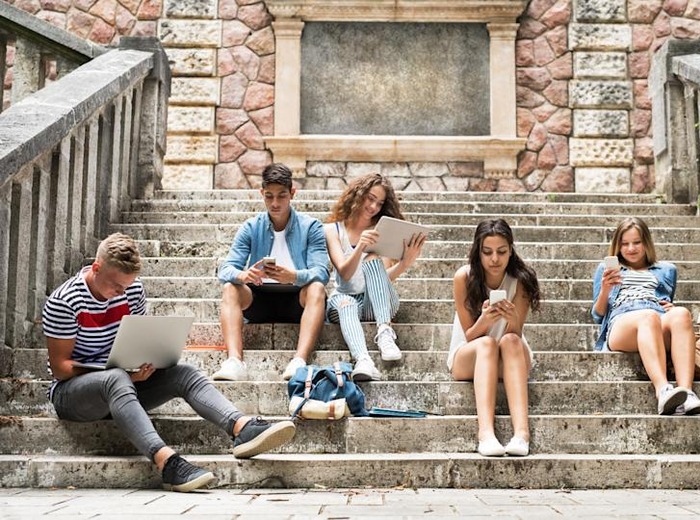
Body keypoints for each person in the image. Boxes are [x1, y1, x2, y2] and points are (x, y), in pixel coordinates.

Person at [43, 233, 297, 493]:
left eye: (125, 286)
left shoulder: (132, 289)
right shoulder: (65, 301)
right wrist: (121, 374)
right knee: (115, 379)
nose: (120, 293)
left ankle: (242, 428)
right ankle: (168, 464)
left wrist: (144, 361)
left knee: (182, 373)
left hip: (122, 388)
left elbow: (136, 340)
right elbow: (62, 369)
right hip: (74, 396)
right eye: (115, 286)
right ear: (96, 268)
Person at [215, 163, 329, 381]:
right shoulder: (251, 227)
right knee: (230, 288)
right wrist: (243, 275)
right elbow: (226, 269)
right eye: (269, 196)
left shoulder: (311, 226)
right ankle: (234, 362)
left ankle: (299, 361)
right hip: (259, 298)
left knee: (316, 288)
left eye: (281, 196)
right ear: (262, 194)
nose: (275, 203)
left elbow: (321, 272)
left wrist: (294, 276)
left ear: (292, 193)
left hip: (297, 299)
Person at [592, 217, 700, 416]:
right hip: (622, 323)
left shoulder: (666, 270)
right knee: (648, 316)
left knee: (681, 313)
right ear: (617, 246)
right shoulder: (606, 269)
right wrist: (605, 290)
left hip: (654, 317)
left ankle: (687, 394)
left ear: (646, 242)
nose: (631, 248)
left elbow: (664, 300)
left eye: (636, 242)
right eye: (625, 243)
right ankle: (663, 390)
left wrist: (670, 307)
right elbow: (597, 315)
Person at [449, 219, 540, 457]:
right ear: (478, 252)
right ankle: (486, 434)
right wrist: (486, 320)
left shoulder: (521, 280)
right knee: (487, 343)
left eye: (501, 252)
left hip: (511, 355)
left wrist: (512, 319)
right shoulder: (464, 277)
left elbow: (516, 335)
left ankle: (522, 434)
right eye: (487, 252)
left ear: (511, 250)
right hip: (469, 355)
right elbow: (470, 336)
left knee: (509, 340)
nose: (494, 259)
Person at [324, 173, 426, 381]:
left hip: (376, 304)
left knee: (372, 258)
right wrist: (360, 245)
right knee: (345, 302)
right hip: (344, 300)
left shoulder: (381, 230)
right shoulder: (332, 230)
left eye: (379, 203)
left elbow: (381, 278)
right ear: (357, 194)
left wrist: (405, 263)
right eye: (370, 198)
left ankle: (385, 332)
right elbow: (344, 272)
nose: (373, 207)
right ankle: (363, 360)